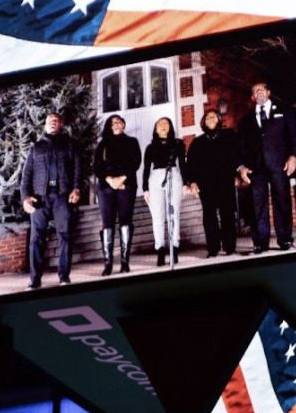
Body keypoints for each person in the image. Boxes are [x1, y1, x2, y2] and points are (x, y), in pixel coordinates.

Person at [19, 111, 83, 289]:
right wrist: (25, 198)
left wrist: (76, 189)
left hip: (62, 196)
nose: (53, 123)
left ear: (61, 124)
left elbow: (78, 169)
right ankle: (34, 279)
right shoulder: (36, 147)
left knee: (65, 235)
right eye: (49, 121)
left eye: (56, 120)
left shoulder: (70, 144)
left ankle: (64, 277)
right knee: (36, 238)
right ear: (45, 124)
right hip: (40, 198)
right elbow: (26, 176)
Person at [237, 81, 296, 253]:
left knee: (282, 201)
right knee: (258, 206)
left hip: (280, 164)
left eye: (261, 89)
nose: (259, 93)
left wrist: (293, 156)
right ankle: (260, 243)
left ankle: (285, 240)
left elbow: (293, 136)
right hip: (255, 168)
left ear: (268, 92)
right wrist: (241, 167)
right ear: (252, 97)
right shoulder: (246, 120)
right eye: (255, 91)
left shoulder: (284, 111)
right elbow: (241, 146)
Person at [93, 113, 140, 276]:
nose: (116, 124)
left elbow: (135, 162)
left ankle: (125, 262)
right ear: (109, 126)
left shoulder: (132, 142)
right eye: (112, 122)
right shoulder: (102, 145)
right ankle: (108, 264)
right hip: (106, 188)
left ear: (123, 125)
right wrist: (109, 180)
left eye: (119, 121)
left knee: (125, 221)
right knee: (107, 223)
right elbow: (97, 166)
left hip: (126, 186)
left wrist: (121, 179)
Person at [186, 108, 238, 257]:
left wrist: (236, 174)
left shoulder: (228, 136)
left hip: (225, 181)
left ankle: (229, 247)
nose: (211, 119)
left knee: (227, 214)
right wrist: (193, 182)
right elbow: (191, 164)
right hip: (206, 185)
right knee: (209, 216)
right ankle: (213, 249)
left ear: (219, 120)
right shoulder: (197, 142)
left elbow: (235, 155)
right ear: (203, 122)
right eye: (208, 118)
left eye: (214, 117)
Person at [142, 117, 187, 266]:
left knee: (174, 214)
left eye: (166, 123)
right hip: (155, 178)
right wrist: (145, 189)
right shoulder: (150, 147)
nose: (162, 125)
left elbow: (183, 164)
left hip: (173, 175)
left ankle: (174, 248)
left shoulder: (178, 144)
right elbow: (146, 169)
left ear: (170, 127)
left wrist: (185, 183)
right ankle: (160, 250)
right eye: (159, 124)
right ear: (155, 129)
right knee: (158, 216)